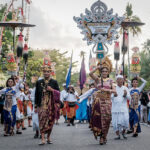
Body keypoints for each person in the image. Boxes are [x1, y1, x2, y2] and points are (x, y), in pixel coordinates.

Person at [89, 56, 116, 145]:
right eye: (103, 71)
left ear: (108, 72)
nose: (104, 72)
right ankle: (101, 137)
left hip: (107, 102)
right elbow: (90, 74)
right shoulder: (98, 79)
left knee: (107, 120)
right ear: (101, 72)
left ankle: (105, 135)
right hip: (99, 102)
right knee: (99, 119)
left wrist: (107, 90)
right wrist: (97, 68)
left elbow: (115, 92)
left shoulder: (111, 81)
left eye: (106, 71)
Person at [35, 55, 60, 145]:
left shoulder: (54, 82)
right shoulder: (39, 82)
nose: (46, 73)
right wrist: (36, 105)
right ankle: (42, 138)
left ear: (50, 72)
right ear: (43, 72)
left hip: (51, 105)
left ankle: (48, 137)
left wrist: (52, 90)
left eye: (48, 72)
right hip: (41, 105)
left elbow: (58, 92)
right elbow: (36, 94)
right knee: (41, 120)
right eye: (44, 72)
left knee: (50, 121)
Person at [111, 75, 131, 140]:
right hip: (115, 108)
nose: (120, 81)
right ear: (116, 81)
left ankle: (123, 132)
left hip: (123, 108)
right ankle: (117, 135)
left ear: (123, 80)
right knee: (115, 123)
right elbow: (110, 98)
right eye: (118, 79)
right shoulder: (114, 88)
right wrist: (114, 95)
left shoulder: (126, 88)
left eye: (121, 79)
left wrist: (125, 95)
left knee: (125, 121)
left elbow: (129, 98)